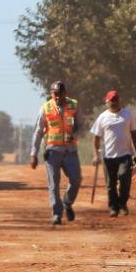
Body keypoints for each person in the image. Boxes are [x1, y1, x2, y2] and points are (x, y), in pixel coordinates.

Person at [29, 80, 81, 225]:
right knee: (53, 184)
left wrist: (75, 134)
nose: (57, 97)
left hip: (70, 151)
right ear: (51, 94)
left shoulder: (74, 105)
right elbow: (38, 131)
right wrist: (34, 153)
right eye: (54, 94)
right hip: (52, 152)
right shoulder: (45, 108)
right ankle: (56, 214)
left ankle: (67, 202)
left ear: (65, 93)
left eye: (60, 94)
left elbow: (80, 126)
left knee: (76, 180)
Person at [90, 90, 136, 217]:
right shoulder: (102, 117)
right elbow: (96, 137)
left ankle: (123, 204)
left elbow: (134, 135)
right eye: (111, 100)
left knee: (124, 177)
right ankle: (113, 207)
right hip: (108, 156)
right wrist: (96, 155)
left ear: (120, 100)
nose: (114, 102)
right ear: (106, 102)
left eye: (116, 99)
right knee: (110, 184)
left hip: (125, 155)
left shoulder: (127, 115)